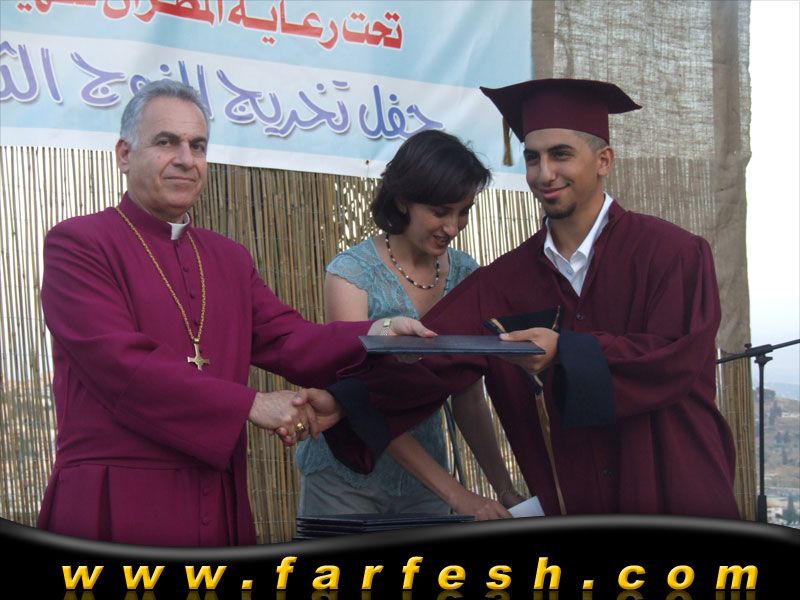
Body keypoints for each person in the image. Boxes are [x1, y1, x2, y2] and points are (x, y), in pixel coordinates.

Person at [309, 78, 741, 518]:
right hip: (576, 505)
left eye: (561, 154)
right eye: (533, 158)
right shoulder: (502, 283)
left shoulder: (673, 254)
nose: (544, 173)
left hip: (677, 495)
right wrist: (344, 402)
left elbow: (676, 358)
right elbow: (433, 362)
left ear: (604, 160)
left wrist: (566, 352)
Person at [37, 79, 431, 546]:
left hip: (214, 492)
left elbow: (289, 339)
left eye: (198, 145)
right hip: (116, 497)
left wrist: (380, 331)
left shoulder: (227, 257)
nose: (186, 159)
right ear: (125, 154)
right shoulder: (79, 244)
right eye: (166, 142)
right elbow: (119, 363)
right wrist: (250, 404)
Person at [295, 131, 525, 520]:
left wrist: (504, 489)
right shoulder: (351, 274)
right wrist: (458, 496)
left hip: (426, 485)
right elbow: (361, 403)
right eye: (440, 211)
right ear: (403, 199)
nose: (453, 227)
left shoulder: (467, 275)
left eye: (464, 211)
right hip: (345, 482)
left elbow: (469, 396)